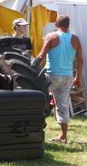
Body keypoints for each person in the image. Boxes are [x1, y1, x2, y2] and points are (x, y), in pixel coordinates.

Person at [34, 14, 83, 143]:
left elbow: (41, 56)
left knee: (36, 99)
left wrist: (31, 68)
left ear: (56, 24)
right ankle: (63, 135)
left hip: (51, 75)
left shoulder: (51, 36)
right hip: (67, 76)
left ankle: (35, 127)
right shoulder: (75, 39)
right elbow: (80, 61)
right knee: (63, 105)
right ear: (68, 25)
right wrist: (78, 77)